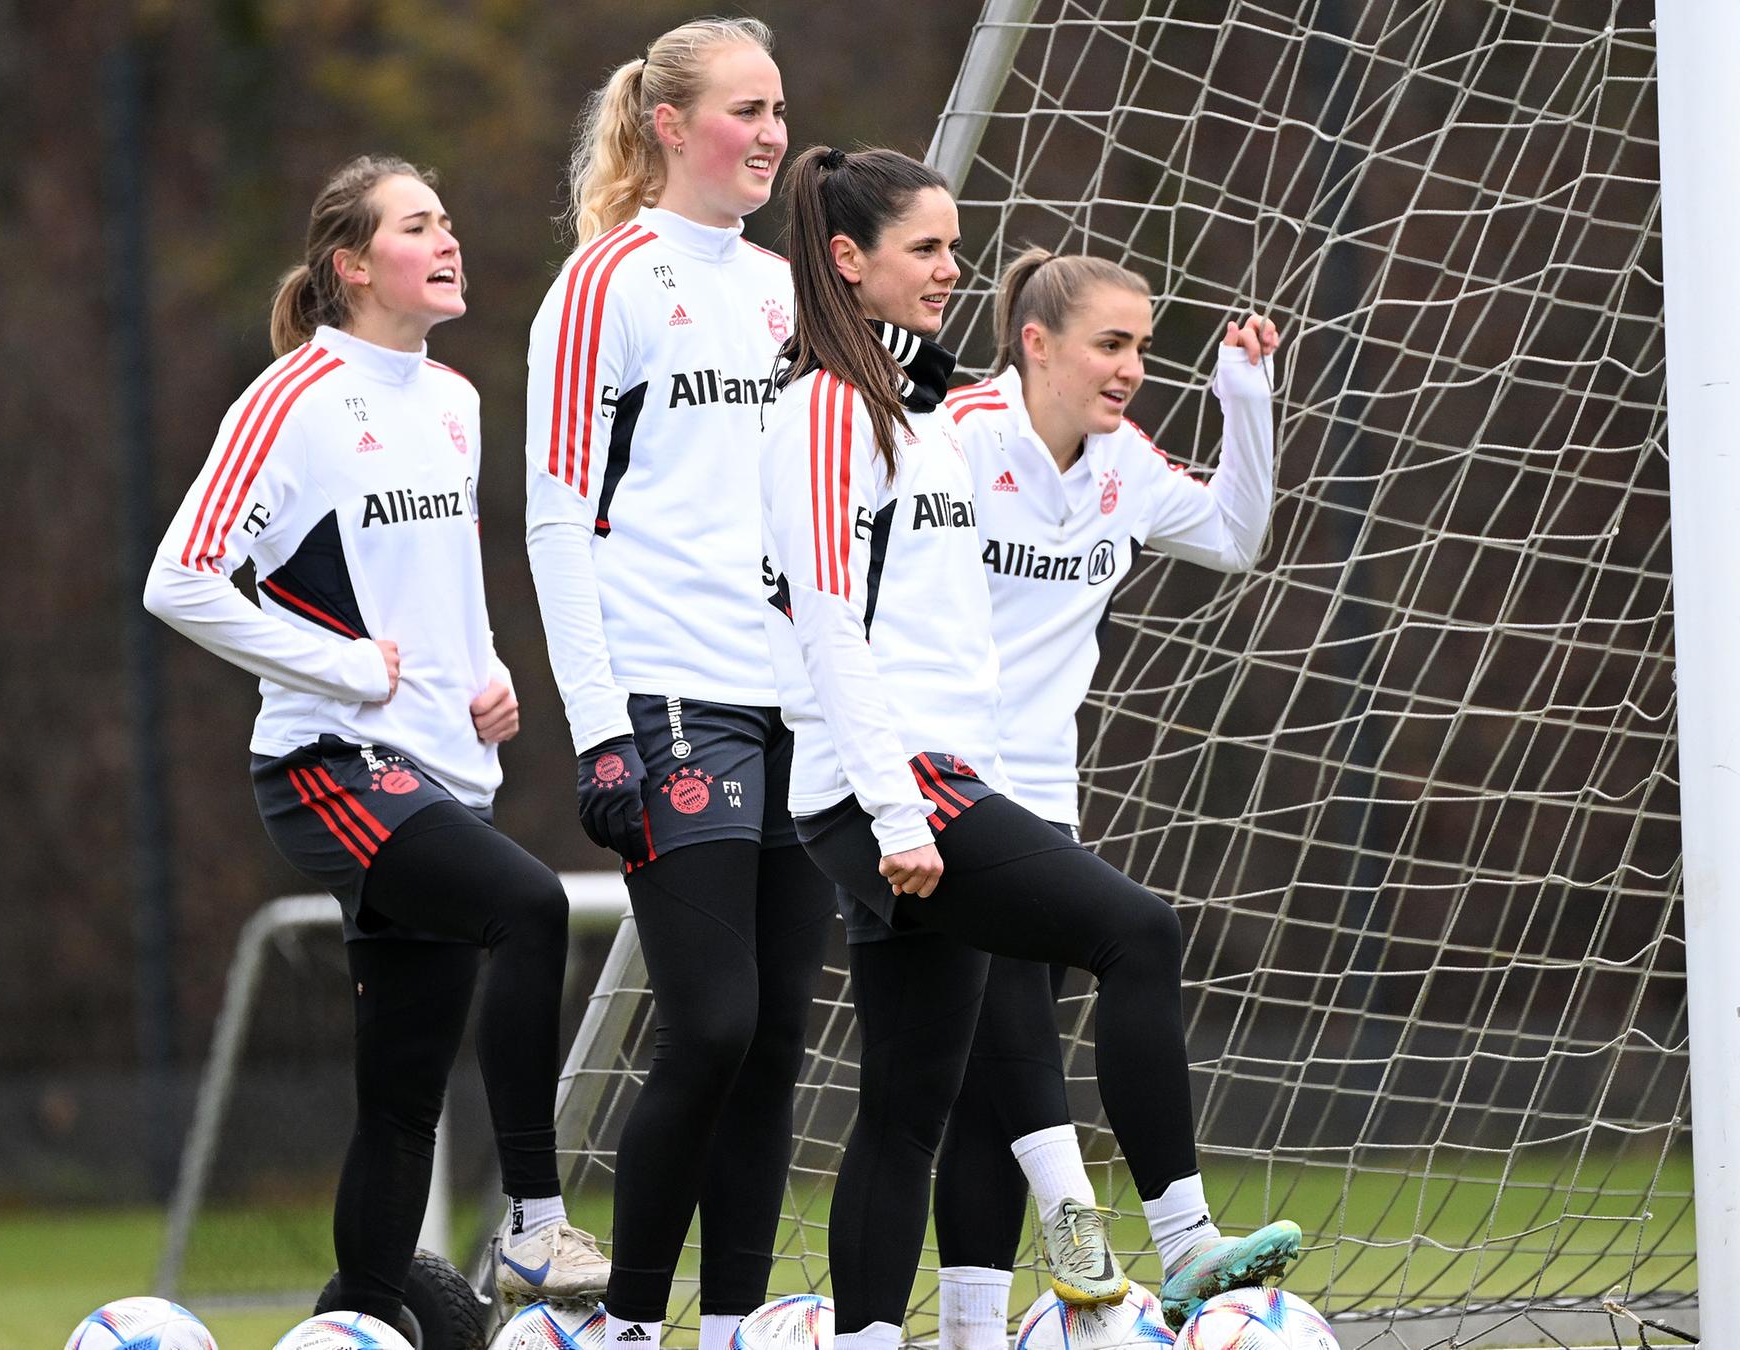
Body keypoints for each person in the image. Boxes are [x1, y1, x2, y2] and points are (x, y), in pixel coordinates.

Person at [756, 145, 1303, 1350]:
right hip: (899, 785)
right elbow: (827, 617)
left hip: (939, 781)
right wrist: (896, 809)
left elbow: (940, 619)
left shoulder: (914, 413)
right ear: (849, 263)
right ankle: (1184, 1240)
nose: (957, 270)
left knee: (912, 1101)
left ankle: (908, 1337)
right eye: (929, 249)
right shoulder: (823, 406)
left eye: (956, 247)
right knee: (1139, 931)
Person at [143, 155, 608, 1338]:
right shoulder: (293, 399)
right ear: (352, 265)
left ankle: (363, 1321)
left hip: (438, 769)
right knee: (530, 907)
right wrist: (343, 669)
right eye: (417, 226)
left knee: (401, 1100)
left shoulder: (452, 400)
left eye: (449, 220)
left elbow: (437, 583)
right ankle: (532, 1220)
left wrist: (487, 675)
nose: (448, 240)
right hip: (329, 765)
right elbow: (179, 580)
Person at [522, 20, 832, 1350]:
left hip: (795, 703)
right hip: (667, 697)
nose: (768, 133)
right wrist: (600, 732)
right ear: (665, 122)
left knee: (774, 1045)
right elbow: (554, 517)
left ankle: (735, 1325)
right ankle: (628, 1325)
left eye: (778, 110)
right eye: (744, 110)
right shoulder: (609, 282)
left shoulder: (785, 288)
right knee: (711, 1022)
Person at [930, 251, 1283, 1350]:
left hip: (1042, 793)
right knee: (1126, 944)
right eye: (1110, 343)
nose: (1132, 367)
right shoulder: (952, 436)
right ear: (1036, 342)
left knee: (991, 1082)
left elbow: (1234, 536)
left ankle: (975, 1331)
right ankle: (1156, 1234)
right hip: (935, 785)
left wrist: (1245, 397)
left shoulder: (1121, 462)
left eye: (1142, 346)